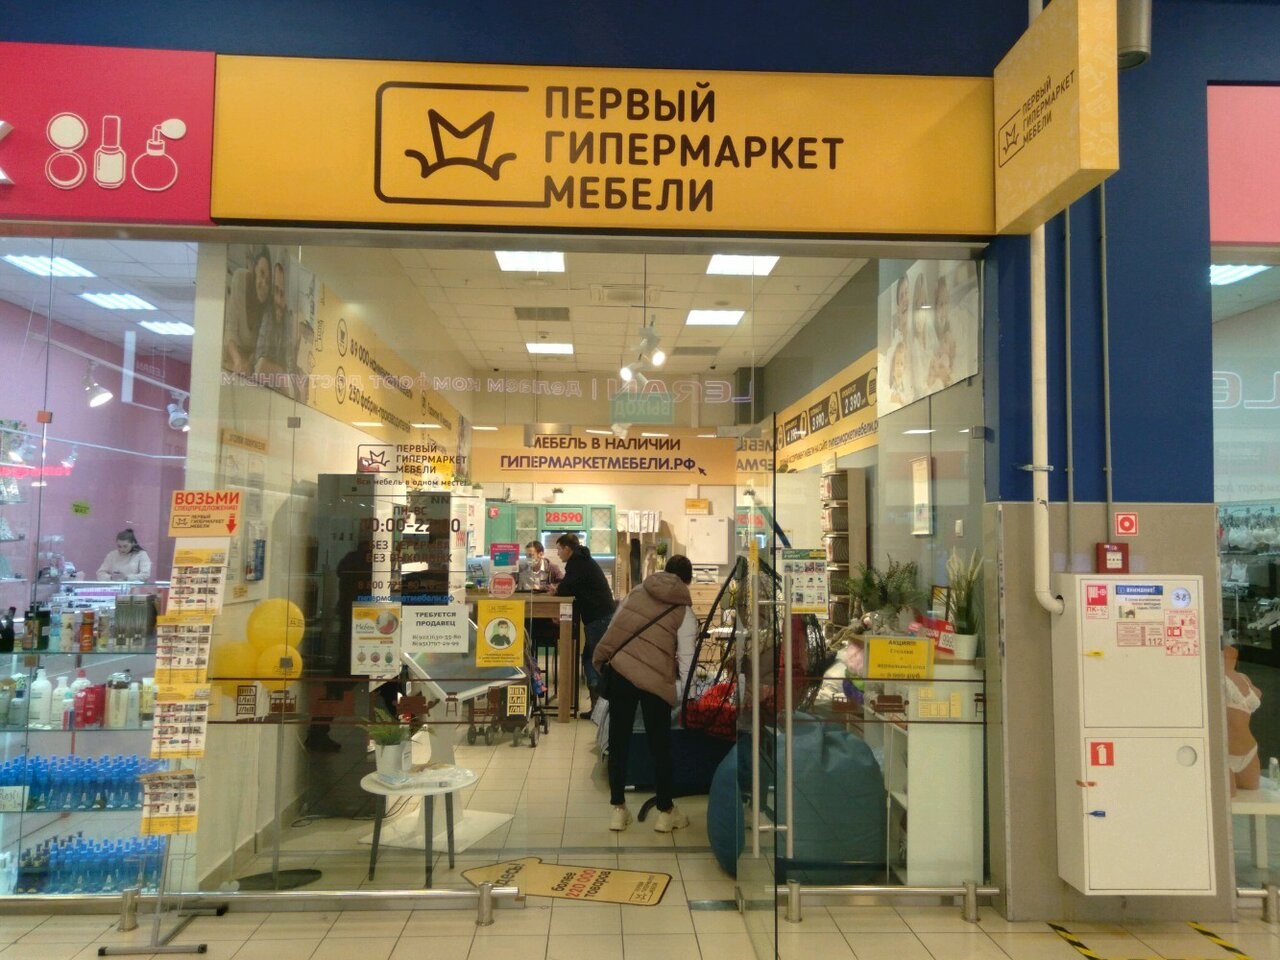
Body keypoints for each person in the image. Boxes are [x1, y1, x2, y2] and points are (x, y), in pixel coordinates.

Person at [592, 555, 697, 833]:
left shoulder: (637, 592)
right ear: (687, 581)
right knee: (659, 747)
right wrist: (688, 696)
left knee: (619, 742)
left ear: (665, 571)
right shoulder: (684, 611)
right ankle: (665, 812)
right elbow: (687, 659)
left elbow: (615, 627)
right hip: (655, 682)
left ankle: (618, 810)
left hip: (622, 674)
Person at [547, 532, 614, 716]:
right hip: (601, 616)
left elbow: (567, 587)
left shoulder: (577, 563)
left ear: (568, 549)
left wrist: (556, 590)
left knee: (593, 660)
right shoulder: (582, 560)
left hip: (598, 618)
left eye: (559, 549)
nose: (558, 553)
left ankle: (599, 709)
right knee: (593, 658)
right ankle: (599, 707)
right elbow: (574, 588)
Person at [222, 245, 272, 375]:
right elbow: (230, 332)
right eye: (261, 273)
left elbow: (259, 349)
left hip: (248, 368)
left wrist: (248, 363)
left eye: (268, 281)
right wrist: (238, 361)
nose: (263, 284)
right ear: (254, 270)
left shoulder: (267, 307)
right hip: (230, 358)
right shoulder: (240, 279)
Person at [1224, 642, 1262, 796]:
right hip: (1223, 752)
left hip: (1249, 751)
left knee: (1254, 796)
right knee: (1227, 803)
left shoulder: (1244, 677)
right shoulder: (1214, 675)